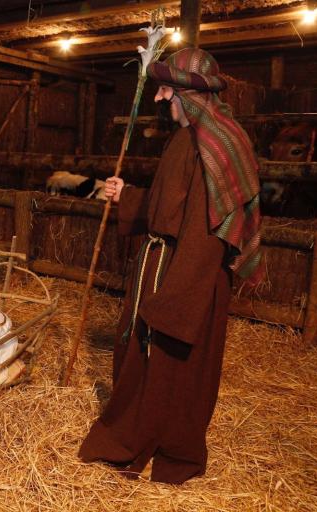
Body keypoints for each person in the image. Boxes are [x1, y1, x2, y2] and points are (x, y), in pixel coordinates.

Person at [78, 48, 263, 484]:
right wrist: (129, 196)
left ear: (186, 94)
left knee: (173, 365)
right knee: (151, 361)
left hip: (186, 274)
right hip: (168, 264)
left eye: (164, 90)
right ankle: (141, 431)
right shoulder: (192, 137)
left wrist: (176, 302)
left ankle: (160, 442)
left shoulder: (210, 146)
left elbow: (205, 231)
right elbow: (173, 205)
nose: (159, 98)